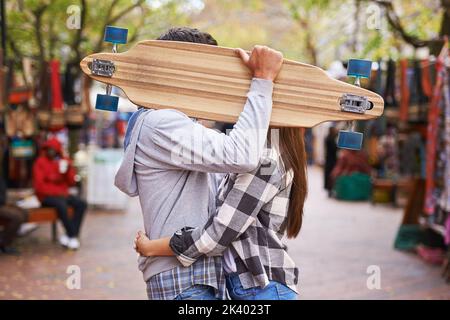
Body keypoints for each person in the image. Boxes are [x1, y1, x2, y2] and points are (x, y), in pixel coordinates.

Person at [114, 27, 283, 300]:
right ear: (183, 71)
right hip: (183, 279)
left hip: (196, 277)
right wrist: (262, 81)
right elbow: (241, 155)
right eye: (206, 72)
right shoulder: (161, 124)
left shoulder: (176, 126)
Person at [134, 127, 307, 300]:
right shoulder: (259, 155)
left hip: (265, 289)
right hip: (259, 288)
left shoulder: (266, 162)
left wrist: (152, 248)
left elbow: (219, 234)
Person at [32, 137, 86, 250]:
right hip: (46, 197)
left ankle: (69, 235)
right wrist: (57, 190)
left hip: (62, 195)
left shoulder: (62, 161)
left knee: (81, 203)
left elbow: (71, 182)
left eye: (54, 149)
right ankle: (72, 235)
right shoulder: (40, 163)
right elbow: (39, 187)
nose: (51, 152)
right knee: (62, 205)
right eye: (49, 149)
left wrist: (68, 169)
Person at [0, 175, 27, 255]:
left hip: (2, 204)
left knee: (24, 212)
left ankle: (5, 238)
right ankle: (4, 243)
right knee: (17, 217)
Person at [324, 126, 338, 197]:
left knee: (329, 175)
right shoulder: (330, 139)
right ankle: (330, 190)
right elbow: (335, 148)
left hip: (329, 160)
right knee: (330, 175)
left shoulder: (328, 138)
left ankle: (330, 190)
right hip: (331, 161)